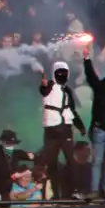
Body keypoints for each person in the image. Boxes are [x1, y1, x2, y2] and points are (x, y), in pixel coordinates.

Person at [40, 61, 87, 198]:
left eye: (64, 73)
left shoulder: (68, 90)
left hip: (65, 129)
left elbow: (71, 110)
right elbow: (43, 90)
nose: (62, 75)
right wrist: (44, 84)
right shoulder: (48, 86)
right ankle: (55, 193)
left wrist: (80, 126)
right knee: (52, 163)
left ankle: (74, 191)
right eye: (59, 72)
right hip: (51, 130)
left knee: (71, 161)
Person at [83, 44, 105, 199]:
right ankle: (94, 190)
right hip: (100, 130)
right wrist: (86, 59)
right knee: (97, 161)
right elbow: (90, 75)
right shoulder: (100, 87)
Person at [0, 130, 35, 201]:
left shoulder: (15, 153)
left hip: (12, 191)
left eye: (12, 143)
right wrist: (19, 175)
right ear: (2, 142)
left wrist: (31, 156)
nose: (10, 146)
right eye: (8, 143)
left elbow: (28, 155)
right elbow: (0, 173)